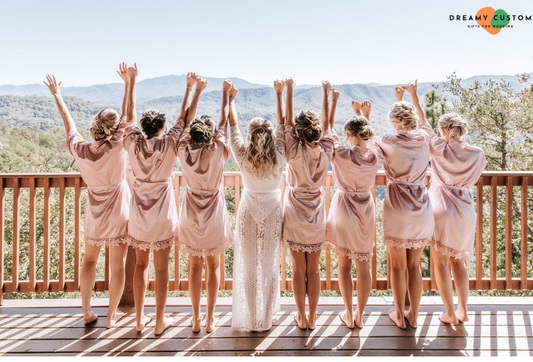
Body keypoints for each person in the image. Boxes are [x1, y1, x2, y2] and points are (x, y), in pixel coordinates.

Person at [44, 63, 132, 328]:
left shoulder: (80, 149)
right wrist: (128, 85)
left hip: (94, 210)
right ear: (115, 129)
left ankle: (86, 310)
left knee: (89, 260)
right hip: (118, 209)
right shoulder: (118, 145)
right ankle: (112, 316)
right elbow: (128, 115)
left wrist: (57, 95)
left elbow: (68, 124)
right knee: (118, 265)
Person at [401, 81, 486, 324]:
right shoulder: (477, 153)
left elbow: (422, 124)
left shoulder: (438, 147)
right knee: (458, 260)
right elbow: (477, 174)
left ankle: (449, 312)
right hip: (465, 208)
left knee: (439, 261)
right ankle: (462, 310)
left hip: (441, 206)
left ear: (444, 130)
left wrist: (413, 98)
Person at [124, 69, 197, 335]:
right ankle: (159, 322)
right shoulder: (168, 144)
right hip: (163, 210)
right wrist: (191, 89)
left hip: (139, 212)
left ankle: (139, 320)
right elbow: (185, 119)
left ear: (143, 128)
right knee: (162, 267)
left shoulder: (132, 142)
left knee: (141, 265)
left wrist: (130, 83)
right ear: (163, 128)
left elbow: (129, 115)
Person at [373, 85, 435, 329]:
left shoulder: (387, 140)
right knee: (414, 265)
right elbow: (424, 123)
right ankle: (415, 315)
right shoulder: (425, 138)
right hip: (421, 205)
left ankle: (399, 314)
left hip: (397, 204)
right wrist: (412, 98)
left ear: (393, 121)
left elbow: (368, 150)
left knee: (398, 266)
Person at [229, 80, 286, 331]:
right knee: (270, 265)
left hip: (249, 209)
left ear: (250, 135)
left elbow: (232, 128)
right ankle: (266, 319)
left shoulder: (242, 155)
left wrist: (229, 100)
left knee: (250, 267)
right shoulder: (280, 153)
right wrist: (279, 94)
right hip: (273, 208)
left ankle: (252, 318)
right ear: (271, 135)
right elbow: (283, 124)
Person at [178, 79, 233, 333]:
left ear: (191, 134)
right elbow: (223, 122)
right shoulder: (217, 150)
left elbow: (184, 122)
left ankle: (196, 318)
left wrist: (195, 91)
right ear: (211, 135)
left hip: (190, 212)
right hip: (214, 213)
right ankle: (211, 319)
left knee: (194, 266)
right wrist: (225, 95)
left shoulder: (182, 151)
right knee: (213, 266)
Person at [326, 93, 382, 329]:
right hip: (364, 208)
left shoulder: (341, 154)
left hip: (343, 207)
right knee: (364, 263)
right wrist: (363, 116)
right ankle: (360, 314)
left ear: (348, 135)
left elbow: (328, 132)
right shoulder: (375, 157)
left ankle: (348, 313)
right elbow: (367, 143)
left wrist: (334, 102)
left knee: (344, 264)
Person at [283, 78, 334, 330]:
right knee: (313, 271)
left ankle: (301, 317)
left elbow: (285, 122)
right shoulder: (326, 149)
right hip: (316, 211)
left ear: (298, 131)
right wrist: (326, 95)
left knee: (297, 269)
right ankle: (313, 319)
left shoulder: (292, 149)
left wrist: (288, 91)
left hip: (294, 210)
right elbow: (329, 125)